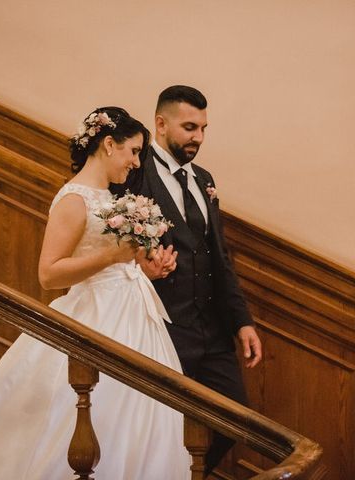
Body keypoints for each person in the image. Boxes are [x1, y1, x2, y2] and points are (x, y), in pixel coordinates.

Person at [0, 107, 191, 479]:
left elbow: (114, 261)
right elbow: (49, 274)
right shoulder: (73, 200)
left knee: (143, 412)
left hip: (134, 315)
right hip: (96, 316)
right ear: (109, 144)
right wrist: (112, 255)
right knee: (93, 410)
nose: (135, 162)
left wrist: (144, 267)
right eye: (133, 151)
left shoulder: (112, 198)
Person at [111, 86, 263, 474]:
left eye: (203, 128)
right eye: (189, 127)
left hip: (211, 329)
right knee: (157, 426)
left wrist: (241, 320)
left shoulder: (204, 179)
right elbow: (107, 242)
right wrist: (138, 268)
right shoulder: (132, 171)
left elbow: (220, 255)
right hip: (161, 327)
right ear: (161, 124)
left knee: (236, 418)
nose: (198, 137)